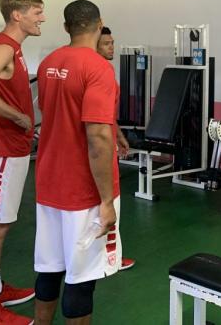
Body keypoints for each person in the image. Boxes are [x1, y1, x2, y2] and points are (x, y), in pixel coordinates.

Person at [34, 0, 122, 324]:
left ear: (66, 27)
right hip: (83, 192)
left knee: (50, 268)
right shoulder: (98, 68)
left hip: (48, 184)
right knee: (82, 278)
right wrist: (106, 201)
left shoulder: (48, 63)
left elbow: (51, 114)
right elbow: (97, 137)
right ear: (99, 24)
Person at [0, 0, 45, 325]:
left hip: (14, 148)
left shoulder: (14, 48)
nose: (42, 18)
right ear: (17, 15)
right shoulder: (3, 46)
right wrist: (17, 116)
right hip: (3, 149)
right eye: (37, 12)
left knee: (2, 224)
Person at [96, 26, 135, 271]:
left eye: (112, 42)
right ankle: (110, 259)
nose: (112, 47)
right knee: (109, 203)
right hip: (101, 147)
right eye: (106, 44)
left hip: (108, 139)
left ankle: (109, 255)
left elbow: (107, 114)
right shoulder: (100, 72)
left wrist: (119, 135)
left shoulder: (105, 71)